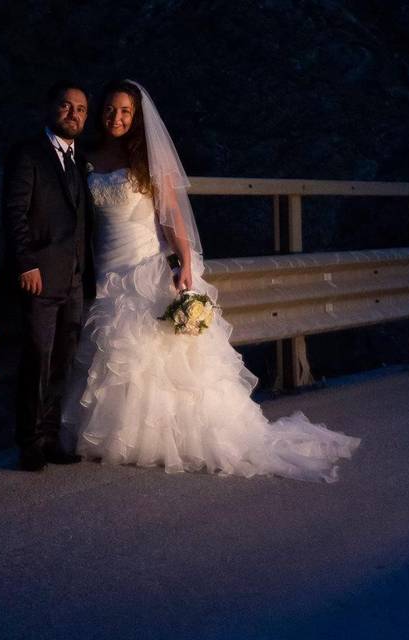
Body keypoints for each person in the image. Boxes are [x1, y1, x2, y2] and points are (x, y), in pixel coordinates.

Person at [61, 80, 360, 482]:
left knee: (157, 354)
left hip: (144, 263)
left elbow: (170, 215)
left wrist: (184, 261)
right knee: (114, 351)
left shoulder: (147, 159)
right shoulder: (90, 156)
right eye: (111, 110)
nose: (117, 118)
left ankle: (161, 437)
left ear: (137, 117)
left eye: (126, 112)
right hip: (107, 268)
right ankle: (116, 434)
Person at [2, 82, 92, 472]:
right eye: (66, 106)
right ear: (51, 108)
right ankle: (29, 443)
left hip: (74, 278)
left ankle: (52, 438)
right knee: (36, 358)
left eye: (81, 109)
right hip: (39, 276)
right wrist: (26, 263)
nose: (73, 114)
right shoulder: (28, 153)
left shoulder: (79, 158)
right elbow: (14, 212)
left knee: (63, 361)